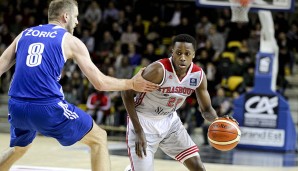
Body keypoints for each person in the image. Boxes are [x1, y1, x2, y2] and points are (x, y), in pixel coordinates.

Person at [0, 0, 159, 171]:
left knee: (20, 148)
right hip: (46, 107)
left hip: (16, 107)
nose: (76, 22)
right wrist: (132, 83)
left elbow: (2, 63)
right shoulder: (69, 40)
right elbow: (100, 82)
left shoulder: (24, 34)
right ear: (65, 16)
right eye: (75, 17)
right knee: (99, 138)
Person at [121, 34, 236, 171]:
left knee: (198, 167)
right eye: (179, 53)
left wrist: (219, 121)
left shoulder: (198, 75)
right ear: (172, 52)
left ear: (193, 54)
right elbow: (126, 91)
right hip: (143, 122)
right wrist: (138, 130)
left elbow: (206, 109)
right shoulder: (158, 70)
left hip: (170, 122)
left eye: (187, 53)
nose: (182, 57)